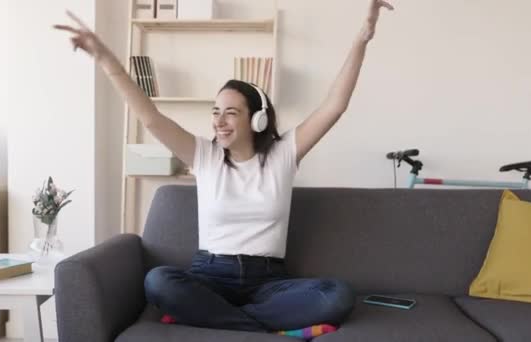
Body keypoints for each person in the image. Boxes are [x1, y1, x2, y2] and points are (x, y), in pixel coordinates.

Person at [55, 0, 393, 339]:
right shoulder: (204, 155)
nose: (219, 120)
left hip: (268, 281)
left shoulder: (283, 154)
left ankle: (214, 319)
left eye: (231, 112)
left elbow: (334, 106)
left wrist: (361, 38)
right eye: (216, 111)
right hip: (210, 276)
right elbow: (150, 118)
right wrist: (104, 57)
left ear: (256, 119)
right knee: (158, 282)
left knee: (336, 295)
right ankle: (267, 329)